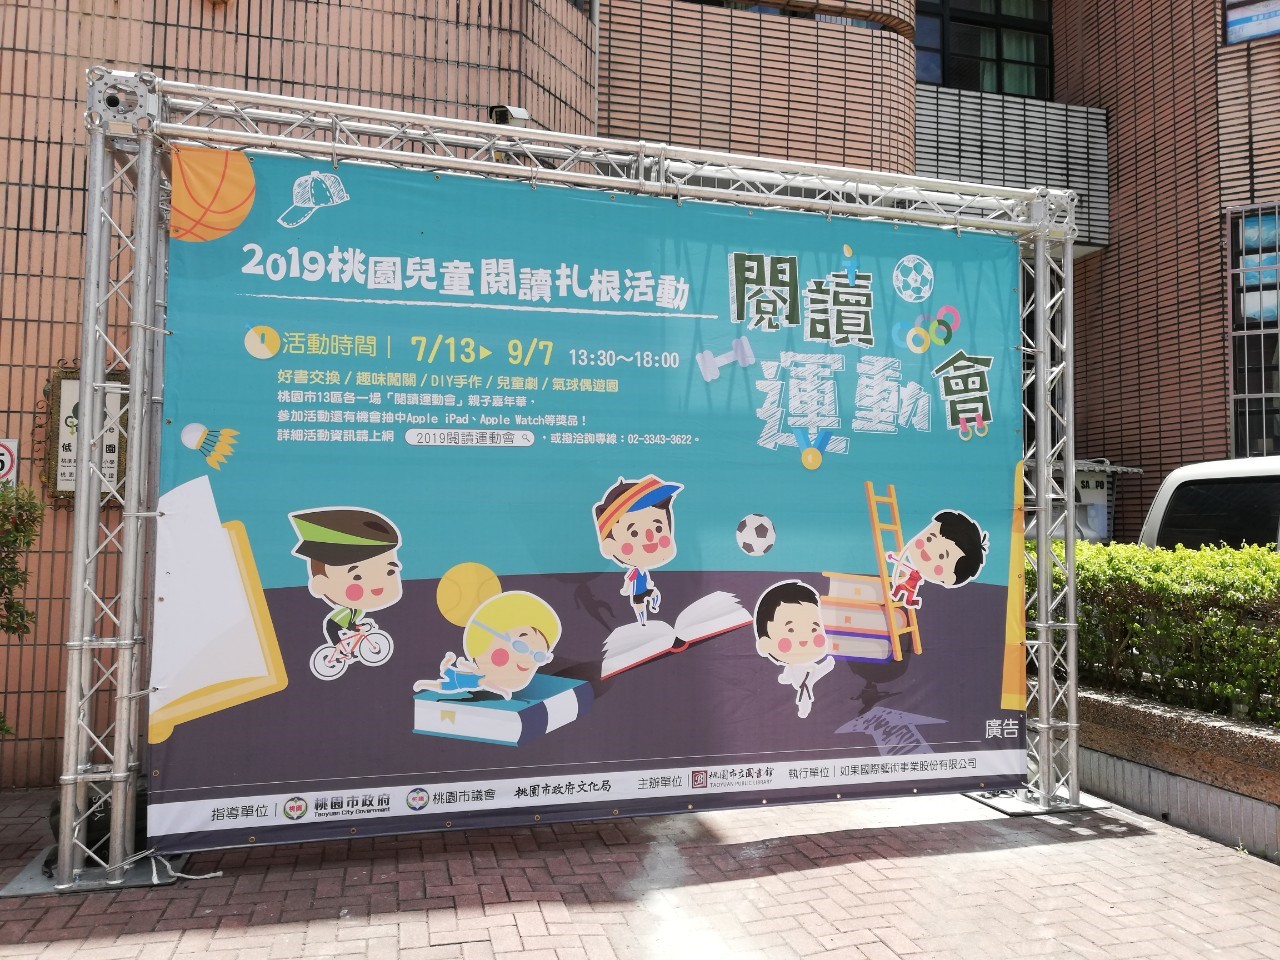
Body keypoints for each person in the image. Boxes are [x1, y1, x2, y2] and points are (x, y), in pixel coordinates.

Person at [289, 506, 403, 648]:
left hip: (340, 625)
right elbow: (341, 624)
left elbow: (351, 623)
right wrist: (355, 629)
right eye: (357, 577)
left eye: (390, 572)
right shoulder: (348, 610)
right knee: (341, 648)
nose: (376, 583)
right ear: (321, 584)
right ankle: (338, 651)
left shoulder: (358, 610)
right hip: (332, 628)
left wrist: (359, 626)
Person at [414, 591, 561, 699]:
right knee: (442, 679)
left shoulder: (483, 676)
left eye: (539, 656)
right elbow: (484, 679)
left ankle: (435, 674)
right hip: (457, 678)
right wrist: (503, 691)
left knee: (442, 683)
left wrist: (464, 664)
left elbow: (477, 673)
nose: (528, 659)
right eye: (520, 646)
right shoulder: (483, 678)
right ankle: (434, 674)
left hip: (458, 679)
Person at [592, 475, 683, 626]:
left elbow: (645, 579)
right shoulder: (634, 571)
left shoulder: (643, 571)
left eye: (658, 528)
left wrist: (649, 582)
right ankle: (642, 622)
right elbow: (629, 581)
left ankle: (653, 606)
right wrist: (625, 590)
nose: (649, 537)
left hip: (646, 590)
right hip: (636, 594)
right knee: (639, 607)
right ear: (610, 545)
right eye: (634, 533)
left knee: (654, 594)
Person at [754, 580, 834, 719]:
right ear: (766, 644)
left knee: (818, 673)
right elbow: (788, 672)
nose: (803, 640)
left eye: (814, 629)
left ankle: (828, 665)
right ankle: (827, 665)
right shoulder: (789, 669)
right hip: (804, 680)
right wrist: (785, 678)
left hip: (809, 676)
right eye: (790, 630)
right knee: (815, 676)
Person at [886, 510, 988, 610]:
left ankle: (907, 600)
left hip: (911, 588)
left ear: (950, 578)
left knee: (906, 592)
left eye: (941, 556)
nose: (929, 552)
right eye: (929, 538)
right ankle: (898, 596)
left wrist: (895, 559)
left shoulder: (937, 598)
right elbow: (904, 565)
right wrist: (894, 559)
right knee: (902, 588)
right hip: (909, 586)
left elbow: (904, 566)